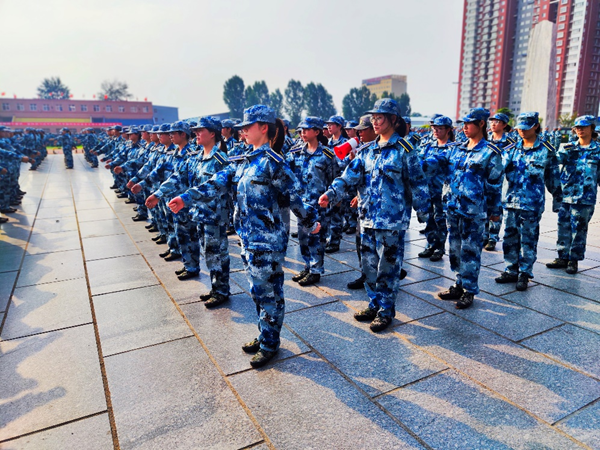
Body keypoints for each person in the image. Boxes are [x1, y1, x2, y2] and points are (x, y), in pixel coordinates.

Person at [168, 105, 320, 368]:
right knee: (256, 291)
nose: (243, 131)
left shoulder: (274, 164)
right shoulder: (243, 162)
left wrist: (310, 220)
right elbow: (215, 182)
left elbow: (295, 196)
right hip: (248, 239)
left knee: (269, 293)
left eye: (248, 127)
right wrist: (185, 198)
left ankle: (270, 343)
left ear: (264, 128)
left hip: (268, 242)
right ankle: (265, 334)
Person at [319, 99, 430, 332]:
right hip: (367, 217)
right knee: (369, 266)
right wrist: (331, 193)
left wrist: (423, 211)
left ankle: (386, 310)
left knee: (388, 267)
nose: (375, 121)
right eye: (374, 117)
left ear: (393, 120)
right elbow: (349, 177)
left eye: (380, 117)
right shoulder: (367, 151)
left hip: (392, 220)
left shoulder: (405, 150)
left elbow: (418, 183)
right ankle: (374, 303)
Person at [436, 108, 504, 309]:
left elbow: (494, 185)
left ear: (481, 124)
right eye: (463, 123)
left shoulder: (490, 152)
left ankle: (469, 290)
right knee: (455, 249)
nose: (464, 127)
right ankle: (459, 283)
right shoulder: (456, 148)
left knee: (471, 251)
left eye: (469, 123)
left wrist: (495, 212)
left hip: (474, 211)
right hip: (453, 208)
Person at [494, 112, 559, 290]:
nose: (522, 131)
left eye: (526, 128)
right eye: (519, 128)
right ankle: (510, 269)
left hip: (531, 204)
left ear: (535, 126)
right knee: (509, 238)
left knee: (528, 240)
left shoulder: (546, 150)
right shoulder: (511, 149)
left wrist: (557, 199)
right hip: (511, 202)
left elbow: (552, 178)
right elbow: (497, 174)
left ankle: (525, 273)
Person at [546, 115, 600, 274]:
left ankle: (573, 260)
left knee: (579, 229)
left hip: (585, 198)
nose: (580, 130)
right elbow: (554, 163)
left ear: (592, 128)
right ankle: (562, 256)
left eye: (584, 126)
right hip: (566, 195)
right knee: (563, 226)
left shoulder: (598, 150)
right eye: (577, 127)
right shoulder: (568, 148)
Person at [287, 117, 336, 286]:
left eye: (306, 130)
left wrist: (332, 199)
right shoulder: (295, 153)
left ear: (317, 132)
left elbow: (334, 178)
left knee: (317, 239)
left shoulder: (327, 155)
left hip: (319, 205)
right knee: (303, 238)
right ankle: (308, 265)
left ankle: (316, 270)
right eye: (300, 131)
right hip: (302, 205)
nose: (302, 133)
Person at [417, 115, 455, 262]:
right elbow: (419, 160)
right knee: (429, 218)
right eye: (434, 128)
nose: (436, 131)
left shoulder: (453, 148)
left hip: (442, 190)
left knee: (440, 219)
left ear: (448, 130)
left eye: (440, 128)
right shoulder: (428, 145)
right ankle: (431, 244)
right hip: (428, 189)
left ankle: (440, 247)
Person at [483, 112, 516, 251]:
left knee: (496, 211)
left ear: (504, 125)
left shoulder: (509, 143)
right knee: (484, 208)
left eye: (497, 122)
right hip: (485, 179)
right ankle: (484, 235)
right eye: (492, 121)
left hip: (500, 182)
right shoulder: (485, 140)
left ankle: (493, 237)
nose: (493, 124)